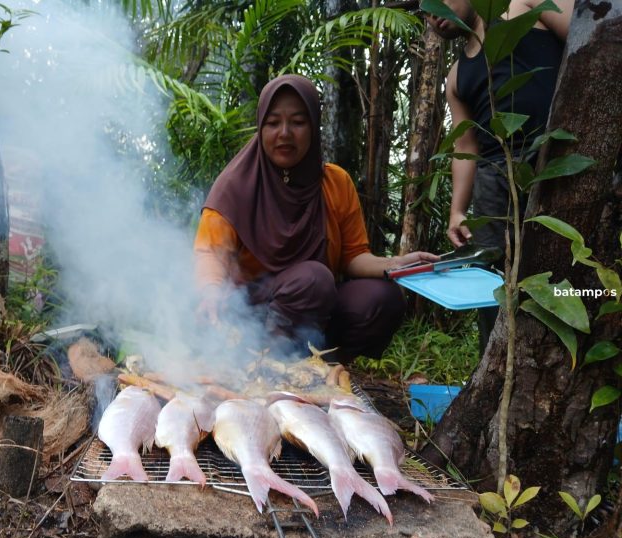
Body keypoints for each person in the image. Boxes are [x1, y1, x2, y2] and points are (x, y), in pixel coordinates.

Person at [193, 74, 438, 364]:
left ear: (313, 127)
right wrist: (211, 292)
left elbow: (353, 256)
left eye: (298, 122)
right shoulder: (235, 186)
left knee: (382, 298)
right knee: (314, 279)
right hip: (248, 318)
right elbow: (210, 253)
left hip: (314, 306)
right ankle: (264, 366)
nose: (285, 133)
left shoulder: (335, 182)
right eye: (273, 123)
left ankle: (321, 368)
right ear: (260, 128)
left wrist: (394, 264)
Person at [425, 0, 574, 352]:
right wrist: (457, 211)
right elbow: (466, 143)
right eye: (425, 10)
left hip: (554, 157)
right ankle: (495, 362)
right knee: (494, 281)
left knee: (567, 268)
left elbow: (594, 39)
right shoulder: (457, 75)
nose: (432, 14)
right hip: (493, 182)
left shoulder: (525, 6)